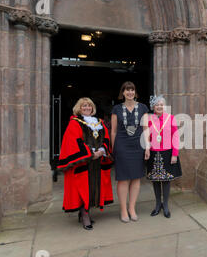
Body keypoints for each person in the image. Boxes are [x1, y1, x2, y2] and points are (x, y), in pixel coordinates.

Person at [57, 97, 114, 230]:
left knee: (94, 186)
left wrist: (102, 150)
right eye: (84, 106)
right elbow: (74, 141)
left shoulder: (99, 122)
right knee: (83, 187)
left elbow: (106, 137)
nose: (87, 108)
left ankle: (85, 212)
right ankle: (84, 214)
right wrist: (90, 153)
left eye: (89, 106)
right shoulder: (75, 123)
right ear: (79, 108)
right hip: (84, 161)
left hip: (97, 161)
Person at [111, 82, 150, 223]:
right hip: (122, 145)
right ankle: (123, 209)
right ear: (123, 93)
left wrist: (147, 147)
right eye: (127, 90)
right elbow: (114, 131)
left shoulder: (143, 108)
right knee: (123, 179)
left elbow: (146, 129)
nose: (130, 92)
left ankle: (132, 208)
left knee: (136, 178)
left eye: (132, 90)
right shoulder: (116, 109)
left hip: (138, 145)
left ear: (135, 92)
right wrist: (113, 148)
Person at [146, 95, 182, 218]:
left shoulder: (171, 118)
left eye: (162, 104)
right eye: (157, 105)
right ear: (153, 107)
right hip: (153, 153)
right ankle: (157, 205)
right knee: (155, 180)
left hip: (167, 153)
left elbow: (175, 137)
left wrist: (175, 154)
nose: (160, 106)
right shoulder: (149, 119)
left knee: (166, 180)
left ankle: (165, 205)